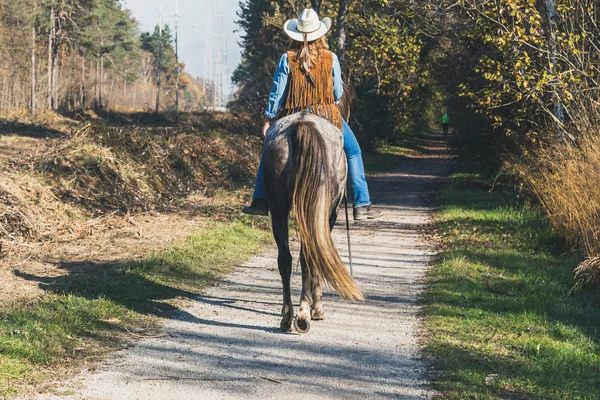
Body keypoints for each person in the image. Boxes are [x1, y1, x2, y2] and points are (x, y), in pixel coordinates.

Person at [242, 8, 382, 221]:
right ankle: (362, 204)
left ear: (296, 35)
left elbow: (277, 91)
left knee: (268, 149)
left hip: (292, 112)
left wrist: (269, 118)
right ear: (320, 34)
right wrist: (327, 102)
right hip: (326, 113)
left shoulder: (286, 58)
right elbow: (337, 92)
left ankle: (260, 200)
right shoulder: (331, 57)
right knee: (353, 152)